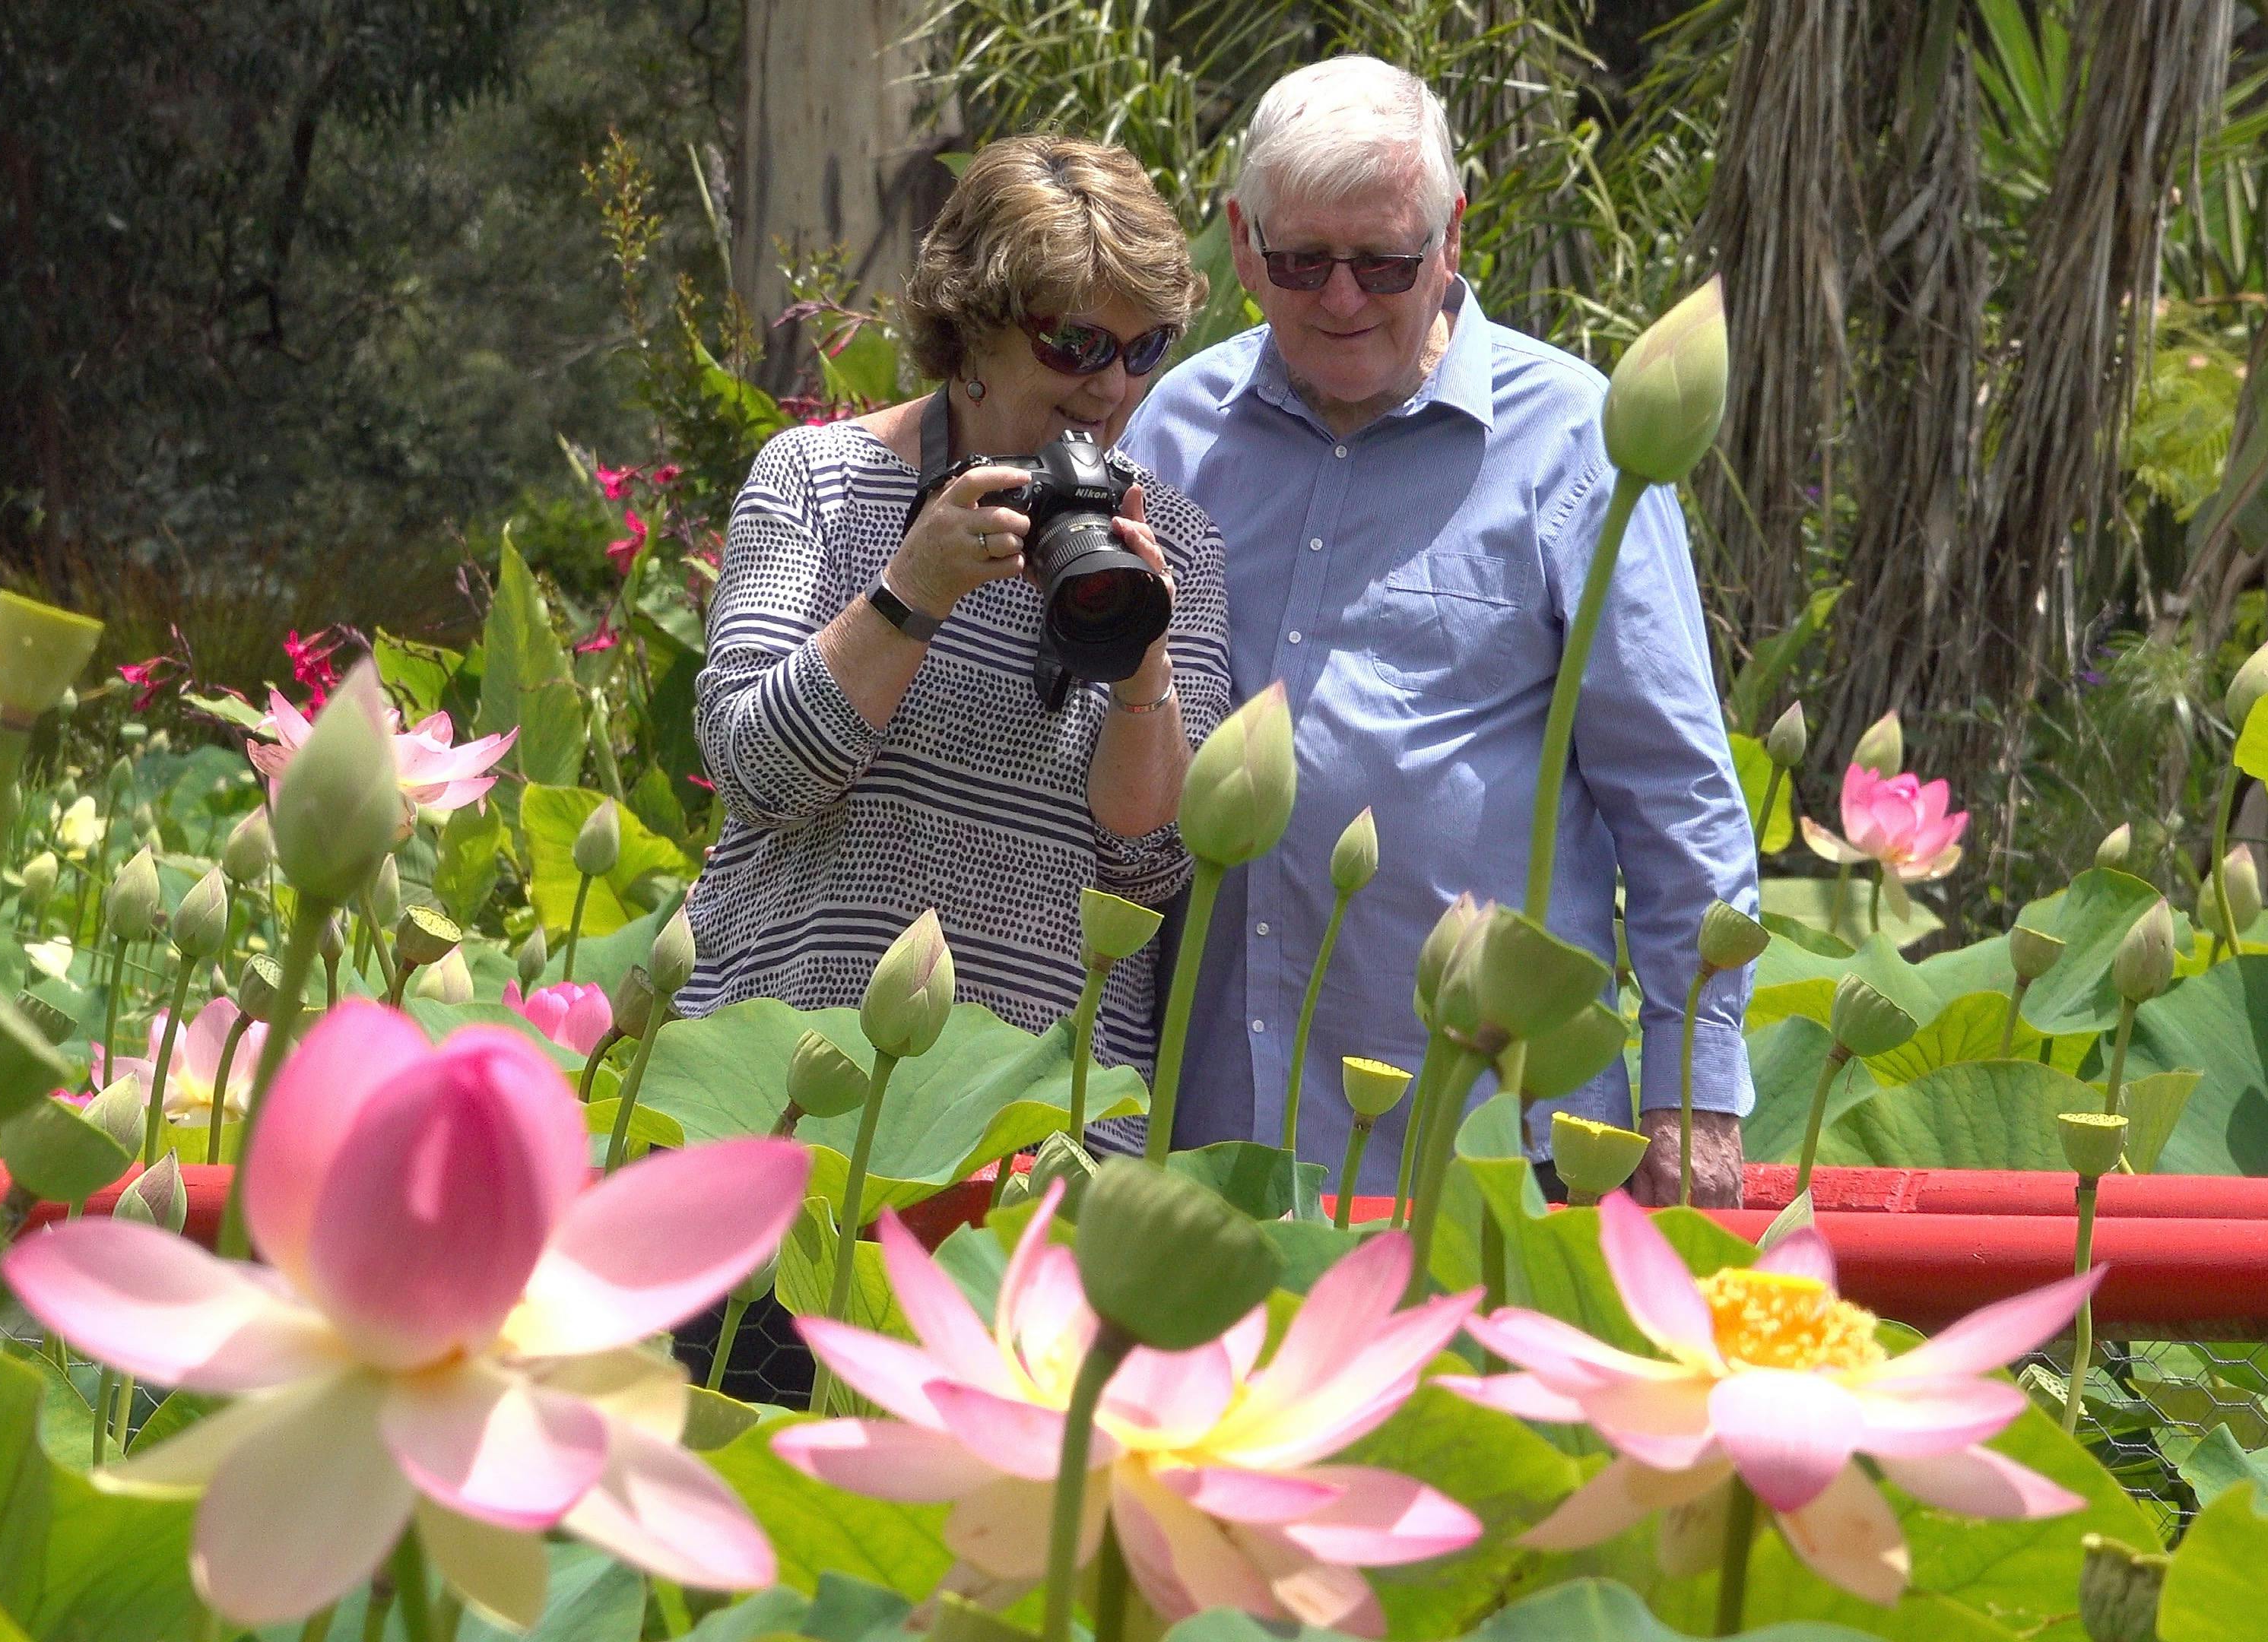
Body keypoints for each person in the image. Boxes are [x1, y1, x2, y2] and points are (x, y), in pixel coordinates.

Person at [1117, 57, 1759, 1206]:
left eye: (1384, 262)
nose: (1343, 299)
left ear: (1451, 235)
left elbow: (1676, 792)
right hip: (1214, 1132)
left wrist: (1692, 1094)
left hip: (1492, 1138)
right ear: (1243, 244)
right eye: (1303, 261)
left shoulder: (1576, 440)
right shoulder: (1177, 429)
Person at [680, 135, 1231, 1077]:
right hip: (791, 1071)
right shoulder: (818, 480)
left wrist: (1141, 661)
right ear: (976, 324)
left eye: (1143, 349)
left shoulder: (1172, 543)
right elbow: (757, 776)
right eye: (1077, 343)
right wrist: (912, 591)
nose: (1111, 386)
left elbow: (1150, 869)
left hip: (1031, 1103)